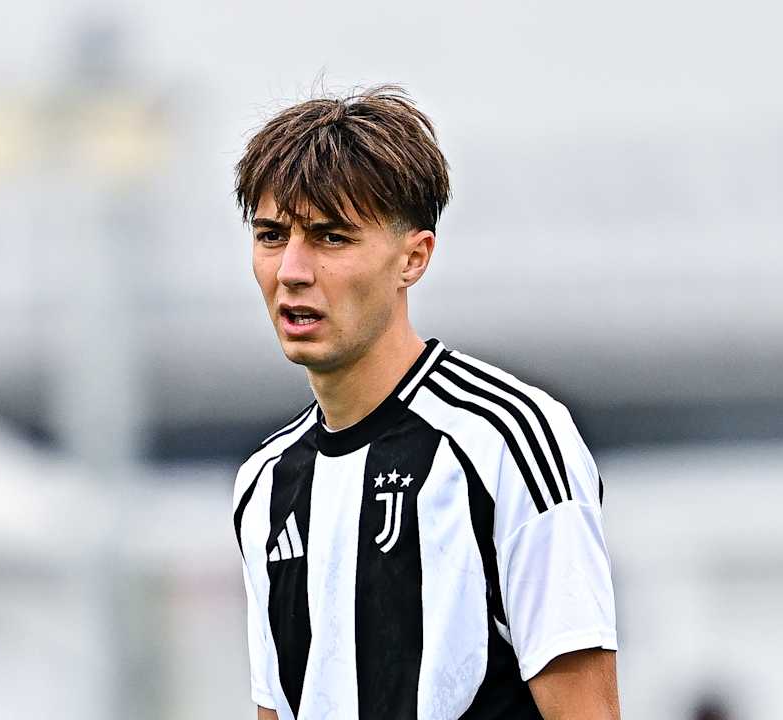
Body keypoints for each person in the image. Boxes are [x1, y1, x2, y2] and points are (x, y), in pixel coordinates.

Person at [231, 85, 619, 720]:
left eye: (331, 239)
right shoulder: (263, 485)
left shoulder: (509, 438)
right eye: (272, 236)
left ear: (413, 258)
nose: (292, 270)